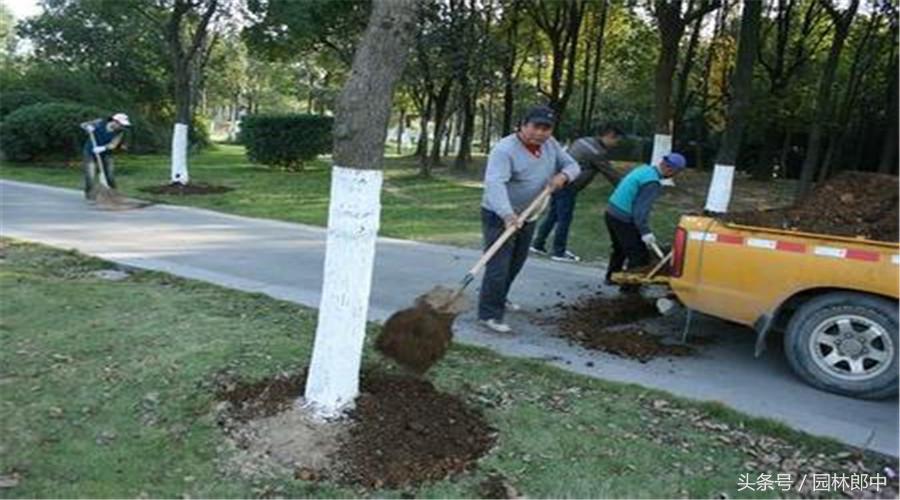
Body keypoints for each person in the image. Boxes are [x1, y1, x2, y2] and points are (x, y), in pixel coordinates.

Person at [479, 105, 581, 333]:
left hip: (530, 213)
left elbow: (574, 166)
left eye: (547, 128)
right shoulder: (504, 150)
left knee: (516, 262)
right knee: (499, 265)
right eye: (536, 126)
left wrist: (563, 176)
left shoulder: (550, 145)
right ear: (523, 125)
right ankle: (489, 314)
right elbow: (494, 184)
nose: (541, 133)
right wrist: (507, 214)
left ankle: (500, 297)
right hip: (499, 214)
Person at [531, 124, 625, 262]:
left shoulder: (583, 141)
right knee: (564, 219)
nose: (616, 144)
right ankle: (559, 252)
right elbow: (611, 174)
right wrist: (627, 188)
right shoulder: (596, 152)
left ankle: (538, 244)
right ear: (609, 136)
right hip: (568, 185)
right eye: (616, 140)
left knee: (553, 215)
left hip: (557, 180)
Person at [604, 152, 686, 285]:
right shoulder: (652, 183)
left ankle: (611, 277)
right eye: (677, 172)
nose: (675, 176)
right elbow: (639, 212)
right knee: (638, 255)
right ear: (670, 169)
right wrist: (645, 232)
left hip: (611, 212)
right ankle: (630, 290)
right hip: (623, 218)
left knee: (619, 248)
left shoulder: (644, 169)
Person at [80, 113, 131, 200]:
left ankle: (114, 194)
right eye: (121, 124)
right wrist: (88, 127)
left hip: (106, 153)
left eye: (123, 125)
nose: (122, 127)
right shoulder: (100, 122)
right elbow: (83, 124)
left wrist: (103, 148)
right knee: (90, 174)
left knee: (110, 175)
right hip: (89, 152)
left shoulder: (120, 132)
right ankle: (90, 195)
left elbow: (113, 145)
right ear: (115, 121)